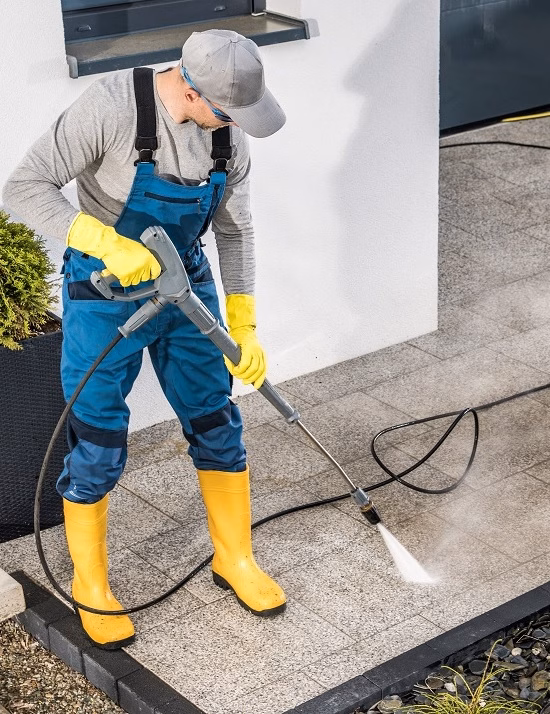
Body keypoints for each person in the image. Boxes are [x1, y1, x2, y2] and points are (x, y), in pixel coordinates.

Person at [2, 29, 287, 649]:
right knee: (98, 439)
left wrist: (243, 319)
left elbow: (235, 230)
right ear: (191, 90)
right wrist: (103, 241)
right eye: (227, 112)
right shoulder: (109, 108)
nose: (235, 126)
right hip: (104, 294)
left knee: (216, 420)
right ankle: (91, 584)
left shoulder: (228, 136)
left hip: (187, 287)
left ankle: (234, 558)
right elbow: (22, 187)